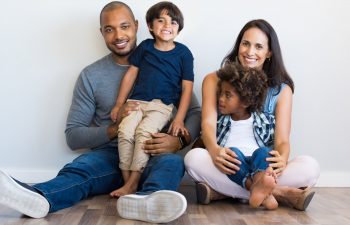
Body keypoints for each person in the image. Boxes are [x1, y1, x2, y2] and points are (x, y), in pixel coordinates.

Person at [0, 2, 201, 224]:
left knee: (172, 164)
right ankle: (39, 197)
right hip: (110, 156)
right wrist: (117, 127)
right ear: (102, 33)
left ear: (136, 26)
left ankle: (146, 201)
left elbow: (193, 111)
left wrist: (178, 141)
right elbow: (73, 136)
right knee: (81, 168)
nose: (118, 35)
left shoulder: (166, 61)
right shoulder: (91, 76)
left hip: (153, 151)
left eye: (124, 26)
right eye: (109, 29)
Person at [185, 19, 320, 211]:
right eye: (245, 43)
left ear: (269, 52)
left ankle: (223, 192)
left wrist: (282, 159)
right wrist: (215, 152)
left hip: (263, 165)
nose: (250, 52)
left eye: (259, 46)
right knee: (193, 158)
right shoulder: (214, 80)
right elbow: (207, 124)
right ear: (238, 44)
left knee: (310, 167)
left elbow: (282, 140)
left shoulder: (282, 90)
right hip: (227, 161)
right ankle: (282, 193)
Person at [109, 1, 194, 198]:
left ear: (179, 28)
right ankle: (127, 182)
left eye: (173, 22)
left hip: (161, 106)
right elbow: (130, 75)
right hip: (137, 102)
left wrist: (179, 118)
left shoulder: (183, 53)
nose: (167, 26)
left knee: (143, 132)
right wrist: (119, 104)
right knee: (125, 131)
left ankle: (133, 183)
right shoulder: (145, 47)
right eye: (161, 21)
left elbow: (187, 88)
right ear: (150, 26)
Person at [215, 61, 279, 209]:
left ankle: (259, 182)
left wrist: (276, 163)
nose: (220, 99)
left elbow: (274, 146)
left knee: (264, 152)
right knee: (233, 153)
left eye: (227, 95)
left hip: (258, 164)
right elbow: (207, 144)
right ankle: (260, 192)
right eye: (220, 93)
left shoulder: (264, 120)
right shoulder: (219, 122)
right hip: (236, 164)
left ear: (245, 101)